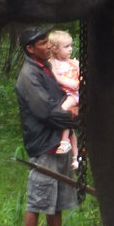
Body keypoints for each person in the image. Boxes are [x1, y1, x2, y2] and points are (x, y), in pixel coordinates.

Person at [14, 26, 89, 226]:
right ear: (30, 49)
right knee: (38, 200)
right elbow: (45, 111)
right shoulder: (29, 75)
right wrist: (75, 119)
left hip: (59, 143)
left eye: (48, 41)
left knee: (55, 202)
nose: (48, 46)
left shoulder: (47, 68)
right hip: (44, 145)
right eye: (43, 43)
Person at [47, 28, 80, 167]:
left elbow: (80, 76)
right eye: (66, 46)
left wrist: (77, 80)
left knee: (64, 111)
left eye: (71, 46)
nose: (70, 49)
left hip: (72, 95)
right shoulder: (53, 62)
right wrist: (69, 83)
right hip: (62, 93)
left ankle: (64, 141)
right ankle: (75, 157)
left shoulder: (73, 62)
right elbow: (55, 77)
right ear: (55, 49)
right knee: (70, 128)